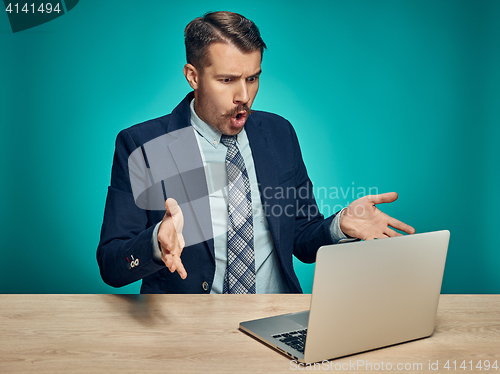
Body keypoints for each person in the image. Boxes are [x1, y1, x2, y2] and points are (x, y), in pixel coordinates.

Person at [97, 11, 415, 294]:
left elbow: (302, 239)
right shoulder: (142, 146)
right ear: (193, 76)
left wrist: (340, 225)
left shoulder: (279, 134)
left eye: (253, 78)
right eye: (227, 80)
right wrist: (156, 244)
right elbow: (112, 265)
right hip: (189, 331)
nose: (244, 96)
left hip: (276, 320)